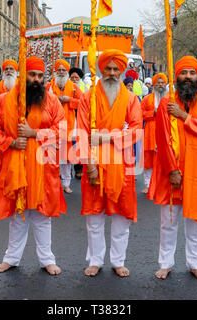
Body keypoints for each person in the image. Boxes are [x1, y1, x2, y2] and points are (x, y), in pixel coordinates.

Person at [0, 56, 65, 276]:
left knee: (42, 216)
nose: (37, 80)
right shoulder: (4, 100)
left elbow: (62, 131)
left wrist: (34, 133)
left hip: (43, 166)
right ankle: (11, 258)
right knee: (17, 215)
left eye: (40, 76)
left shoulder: (52, 101)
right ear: (24, 75)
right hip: (15, 164)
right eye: (32, 75)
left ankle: (47, 260)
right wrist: (10, 141)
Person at [147, 56, 197, 281]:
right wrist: (172, 171)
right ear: (176, 76)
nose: (188, 77)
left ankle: (194, 263)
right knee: (168, 222)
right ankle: (165, 263)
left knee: (195, 223)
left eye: (192, 73)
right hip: (172, 173)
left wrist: (184, 116)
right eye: (183, 73)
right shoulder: (166, 103)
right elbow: (163, 140)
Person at [77, 49, 142, 278]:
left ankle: (117, 260)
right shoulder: (88, 98)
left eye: (116, 69)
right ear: (101, 70)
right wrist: (90, 165)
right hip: (94, 162)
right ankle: (95, 260)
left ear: (122, 70)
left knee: (121, 217)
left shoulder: (132, 98)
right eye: (108, 68)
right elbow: (82, 133)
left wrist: (107, 137)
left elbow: (135, 131)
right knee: (94, 217)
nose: (112, 73)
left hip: (122, 164)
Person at [46, 59, 83, 194]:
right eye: (59, 70)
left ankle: (66, 184)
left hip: (68, 127)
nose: (61, 72)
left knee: (67, 159)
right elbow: (41, 101)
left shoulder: (74, 87)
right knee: (52, 157)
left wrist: (69, 100)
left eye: (63, 70)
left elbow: (83, 103)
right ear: (56, 72)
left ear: (67, 72)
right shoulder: (49, 86)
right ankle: (52, 183)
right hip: (52, 126)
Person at [140, 73, 167, 194]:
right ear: (154, 84)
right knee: (149, 160)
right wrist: (153, 112)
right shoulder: (147, 99)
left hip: (165, 133)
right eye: (158, 83)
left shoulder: (170, 98)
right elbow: (139, 115)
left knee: (164, 160)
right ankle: (148, 184)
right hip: (150, 133)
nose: (160, 85)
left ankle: (161, 185)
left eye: (162, 83)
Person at [69, 67, 85, 179]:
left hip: (80, 119)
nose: (74, 79)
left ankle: (78, 168)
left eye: (76, 77)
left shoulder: (84, 88)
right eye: (72, 77)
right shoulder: (66, 87)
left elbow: (83, 102)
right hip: (68, 119)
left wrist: (69, 101)